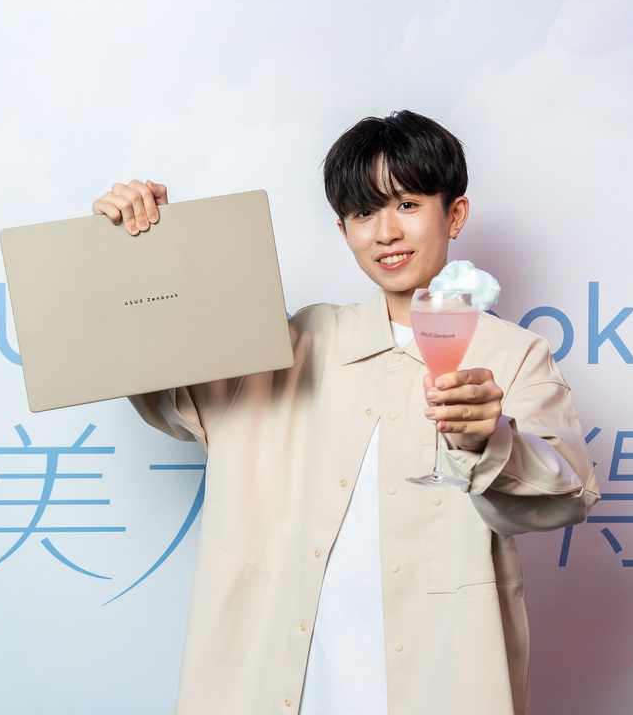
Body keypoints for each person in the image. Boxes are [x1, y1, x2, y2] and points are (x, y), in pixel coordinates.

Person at [92, 110, 599, 715]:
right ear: (343, 230)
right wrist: (141, 248)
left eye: (407, 204)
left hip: (439, 682)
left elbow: (564, 495)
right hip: (282, 683)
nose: (386, 232)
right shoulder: (297, 342)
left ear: (455, 214)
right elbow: (170, 388)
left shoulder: (513, 356)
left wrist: (487, 440)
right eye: (363, 213)